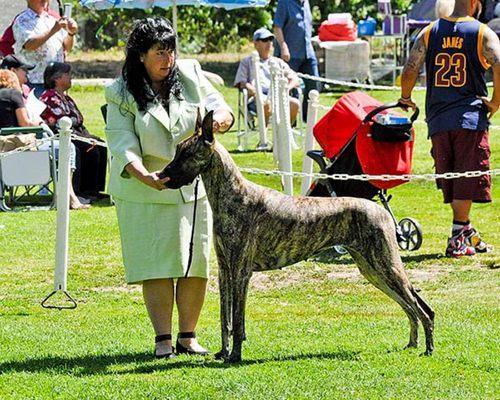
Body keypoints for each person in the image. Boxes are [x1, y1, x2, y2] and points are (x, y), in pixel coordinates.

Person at [105, 17, 233, 359]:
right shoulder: (119, 92)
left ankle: (188, 336)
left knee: (195, 262)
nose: (168, 59)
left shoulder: (191, 73)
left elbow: (221, 106)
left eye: (171, 50)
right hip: (144, 187)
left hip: (193, 186)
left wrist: (220, 118)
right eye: (159, 52)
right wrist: (143, 174)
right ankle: (162, 338)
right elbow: (121, 142)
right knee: (156, 263)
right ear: (141, 56)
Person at [399, 0, 499, 257]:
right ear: (475, 3)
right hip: (469, 117)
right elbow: (499, 63)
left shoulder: (429, 32)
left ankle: (465, 228)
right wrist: (496, 102)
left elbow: (411, 66)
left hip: (439, 119)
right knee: (466, 176)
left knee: (452, 176)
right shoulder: (482, 32)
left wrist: (406, 95)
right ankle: (458, 234)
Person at [0, 69, 87, 210]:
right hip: (18, 146)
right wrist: (38, 122)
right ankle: (68, 195)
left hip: (3, 148)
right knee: (68, 147)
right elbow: (25, 124)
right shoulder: (14, 95)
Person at [40, 62, 107, 202]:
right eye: (68, 74)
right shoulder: (49, 97)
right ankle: (80, 191)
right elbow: (61, 121)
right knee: (90, 149)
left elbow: (79, 118)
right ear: (56, 79)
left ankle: (95, 190)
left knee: (101, 145)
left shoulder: (67, 98)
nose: (71, 77)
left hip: (77, 133)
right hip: (61, 136)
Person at [234, 27, 300, 127]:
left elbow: (295, 79)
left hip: (278, 95)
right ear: (256, 44)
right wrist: (254, 91)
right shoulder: (247, 62)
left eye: (270, 40)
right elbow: (241, 82)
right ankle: (263, 137)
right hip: (257, 98)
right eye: (265, 40)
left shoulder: (277, 62)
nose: (269, 43)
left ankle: (286, 135)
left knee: (295, 103)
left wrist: (287, 88)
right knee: (265, 103)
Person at [12, 0, 77, 97]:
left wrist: (71, 33)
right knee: (38, 112)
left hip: (56, 82)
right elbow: (30, 45)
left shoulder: (52, 19)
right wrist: (54, 30)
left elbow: (67, 47)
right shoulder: (22, 20)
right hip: (35, 82)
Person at [273, 0, 319, 121]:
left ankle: (308, 119)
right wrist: (283, 47)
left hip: (307, 52)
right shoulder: (285, 3)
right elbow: (277, 27)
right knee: (288, 87)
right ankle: (288, 121)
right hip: (289, 54)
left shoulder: (307, 3)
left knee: (314, 85)